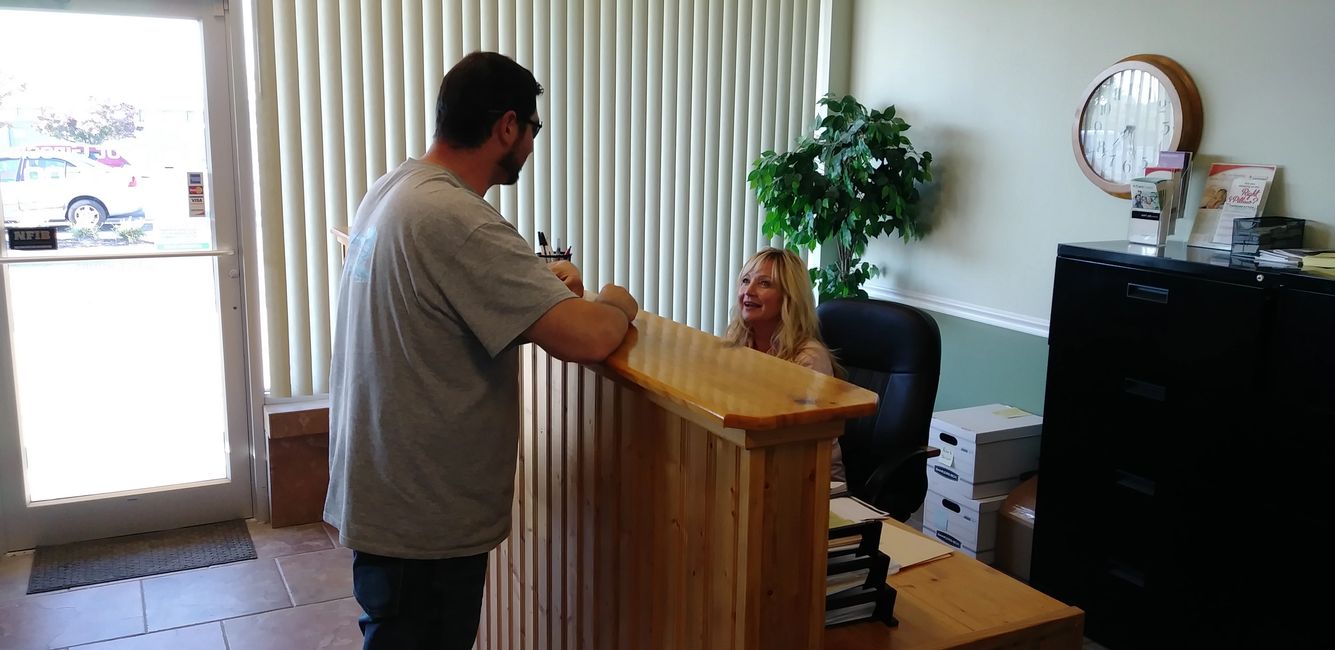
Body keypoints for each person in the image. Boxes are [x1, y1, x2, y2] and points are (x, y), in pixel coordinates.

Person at [324, 52, 639, 650]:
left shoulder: (395, 189)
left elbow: (440, 313)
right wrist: (618, 302)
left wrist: (541, 292)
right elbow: (589, 337)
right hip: (424, 515)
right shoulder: (457, 218)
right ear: (507, 127)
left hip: (389, 492)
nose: (530, 144)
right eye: (532, 131)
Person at [724, 247, 846, 482]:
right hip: (758, 465)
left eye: (764, 284)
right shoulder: (737, 342)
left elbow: (798, 441)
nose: (748, 291)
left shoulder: (809, 358)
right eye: (745, 281)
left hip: (812, 479)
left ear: (789, 296)